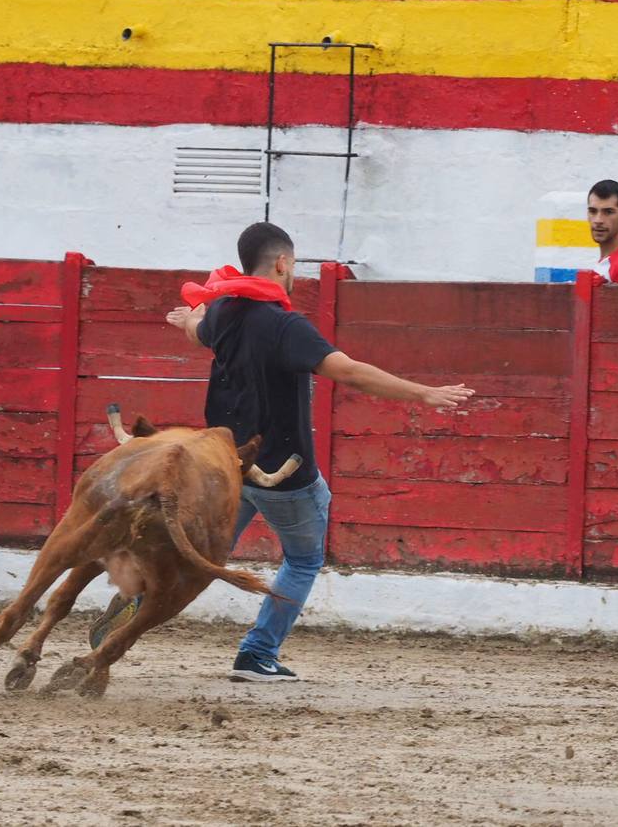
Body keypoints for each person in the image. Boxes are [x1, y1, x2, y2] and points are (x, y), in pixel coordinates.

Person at [89, 222, 474, 682]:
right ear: (283, 263)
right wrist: (422, 393)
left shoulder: (224, 312)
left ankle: (137, 597)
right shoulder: (285, 325)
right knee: (304, 559)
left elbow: (199, 329)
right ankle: (257, 653)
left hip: (225, 468)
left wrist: (187, 319)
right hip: (281, 472)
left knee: (202, 553)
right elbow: (348, 372)